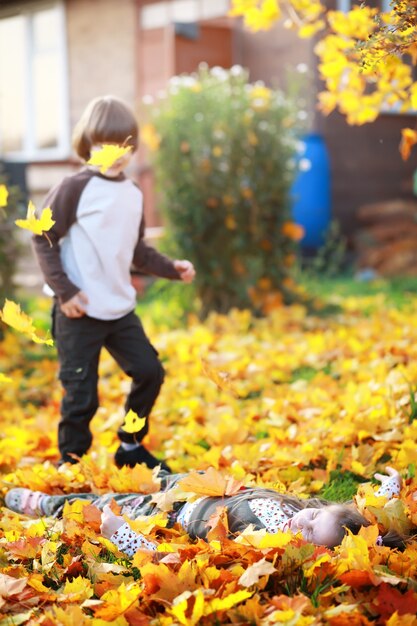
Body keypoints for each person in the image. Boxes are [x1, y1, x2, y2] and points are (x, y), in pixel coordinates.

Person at [32, 95, 195, 471]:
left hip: (118, 308)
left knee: (150, 371)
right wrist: (66, 291)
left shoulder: (132, 193)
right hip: (79, 308)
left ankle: (130, 444)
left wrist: (173, 268)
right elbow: (42, 237)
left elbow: (136, 250)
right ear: (88, 145)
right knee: (81, 394)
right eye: (105, 144)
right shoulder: (74, 188)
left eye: (124, 144)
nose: (116, 153)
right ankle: (70, 462)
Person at [4, 467, 406, 555]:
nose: (303, 522)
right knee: (132, 477)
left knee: (98, 506)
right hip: (197, 484)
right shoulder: (310, 512)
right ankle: (71, 475)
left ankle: (43, 504)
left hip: (173, 513)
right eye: (315, 518)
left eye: (309, 534)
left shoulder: (259, 545)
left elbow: (174, 558)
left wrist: (121, 534)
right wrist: (386, 498)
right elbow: (351, 511)